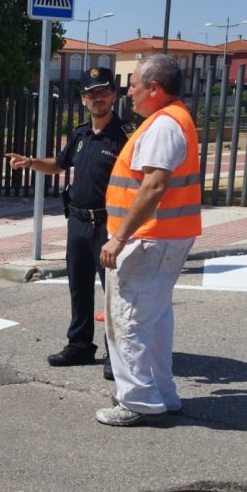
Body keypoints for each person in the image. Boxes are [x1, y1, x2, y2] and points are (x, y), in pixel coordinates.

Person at [95, 54, 202, 426]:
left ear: (154, 88)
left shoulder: (162, 126)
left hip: (147, 240)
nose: (130, 92)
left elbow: (154, 184)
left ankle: (137, 400)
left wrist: (119, 237)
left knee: (127, 320)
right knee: (154, 320)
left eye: (135, 84)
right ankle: (161, 393)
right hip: (164, 238)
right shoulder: (173, 120)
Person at [5, 67, 129, 380]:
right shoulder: (80, 134)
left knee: (114, 292)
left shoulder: (126, 135)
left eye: (102, 92)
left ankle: (117, 354)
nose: (97, 98)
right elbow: (59, 165)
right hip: (77, 221)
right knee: (79, 287)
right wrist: (31, 162)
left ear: (113, 95)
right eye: (91, 94)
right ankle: (80, 345)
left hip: (108, 224)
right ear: (83, 99)